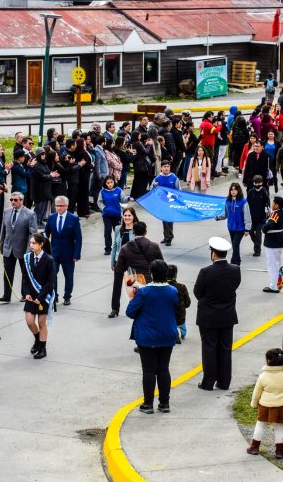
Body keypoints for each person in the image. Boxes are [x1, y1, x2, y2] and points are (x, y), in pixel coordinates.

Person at [126, 259, 179, 414]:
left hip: (147, 336)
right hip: (167, 334)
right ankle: (164, 403)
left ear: (152, 274)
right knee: (163, 369)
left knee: (149, 371)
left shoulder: (144, 292)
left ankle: (148, 404)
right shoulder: (173, 291)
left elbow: (130, 312)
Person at [194, 236, 241, 391]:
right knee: (225, 349)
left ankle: (208, 382)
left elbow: (197, 292)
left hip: (208, 317)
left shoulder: (206, 272)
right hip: (227, 316)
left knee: (209, 349)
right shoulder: (235, 270)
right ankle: (224, 381)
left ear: (213, 254)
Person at [0, 192, 38, 303]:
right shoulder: (6, 212)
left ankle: (25, 294)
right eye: (11, 200)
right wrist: (1, 245)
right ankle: (6, 295)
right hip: (8, 248)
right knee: (7, 273)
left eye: (15, 200)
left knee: (25, 273)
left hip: (23, 248)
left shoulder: (30, 214)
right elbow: (3, 230)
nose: (13, 202)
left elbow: (33, 233)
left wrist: (30, 249)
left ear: (21, 200)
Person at [44, 195, 82, 306]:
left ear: (66, 206)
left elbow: (78, 238)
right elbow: (46, 234)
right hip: (54, 253)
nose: (59, 208)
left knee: (68, 276)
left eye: (61, 206)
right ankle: (54, 296)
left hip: (69, 254)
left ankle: (67, 296)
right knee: (52, 275)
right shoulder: (51, 217)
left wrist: (76, 254)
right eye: (57, 206)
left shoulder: (73, 219)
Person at [22, 233, 55, 360]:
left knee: (41, 323)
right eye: (30, 243)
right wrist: (27, 293)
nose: (31, 245)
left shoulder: (49, 260)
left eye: (34, 243)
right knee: (29, 321)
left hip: (43, 296)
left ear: (41, 244)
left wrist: (40, 298)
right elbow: (25, 278)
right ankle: (37, 340)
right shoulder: (27, 258)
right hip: (31, 294)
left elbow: (50, 282)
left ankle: (43, 348)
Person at [218, 183, 251, 266]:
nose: (233, 191)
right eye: (231, 190)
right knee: (234, 245)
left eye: (235, 189)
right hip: (231, 227)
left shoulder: (243, 202)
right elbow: (225, 214)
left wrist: (247, 229)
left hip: (240, 228)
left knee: (235, 244)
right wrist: (217, 217)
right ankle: (238, 259)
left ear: (238, 190)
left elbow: (247, 216)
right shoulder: (228, 201)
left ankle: (234, 263)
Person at [99, 175, 130, 255]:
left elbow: (123, 200)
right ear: (105, 183)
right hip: (107, 215)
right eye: (108, 183)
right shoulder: (102, 192)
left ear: (114, 182)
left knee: (118, 232)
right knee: (107, 231)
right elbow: (99, 202)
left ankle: (120, 247)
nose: (110, 184)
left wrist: (128, 198)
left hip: (117, 215)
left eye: (111, 182)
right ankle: (108, 248)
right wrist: (104, 209)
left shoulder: (118, 190)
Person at [261, 195, 283, 293]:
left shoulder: (275, 214)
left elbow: (268, 226)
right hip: (277, 241)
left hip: (273, 242)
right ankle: (278, 284)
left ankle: (273, 286)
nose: (272, 204)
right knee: (276, 264)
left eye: (274, 203)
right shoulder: (280, 213)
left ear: (277, 205)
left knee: (272, 265)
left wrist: (264, 228)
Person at [151, 160, 179, 246]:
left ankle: (169, 237)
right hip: (162, 203)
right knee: (164, 220)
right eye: (164, 167)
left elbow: (179, 190)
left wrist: (177, 201)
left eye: (168, 166)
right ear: (161, 168)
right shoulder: (157, 178)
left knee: (169, 220)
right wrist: (154, 186)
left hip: (171, 202)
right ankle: (166, 236)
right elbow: (151, 190)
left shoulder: (174, 178)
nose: (166, 168)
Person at [166, 263, 191, 341]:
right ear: (175, 275)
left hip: (166, 320)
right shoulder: (182, 287)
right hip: (179, 319)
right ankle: (179, 332)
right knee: (182, 330)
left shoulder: (163, 287)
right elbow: (187, 303)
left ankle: (169, 332)